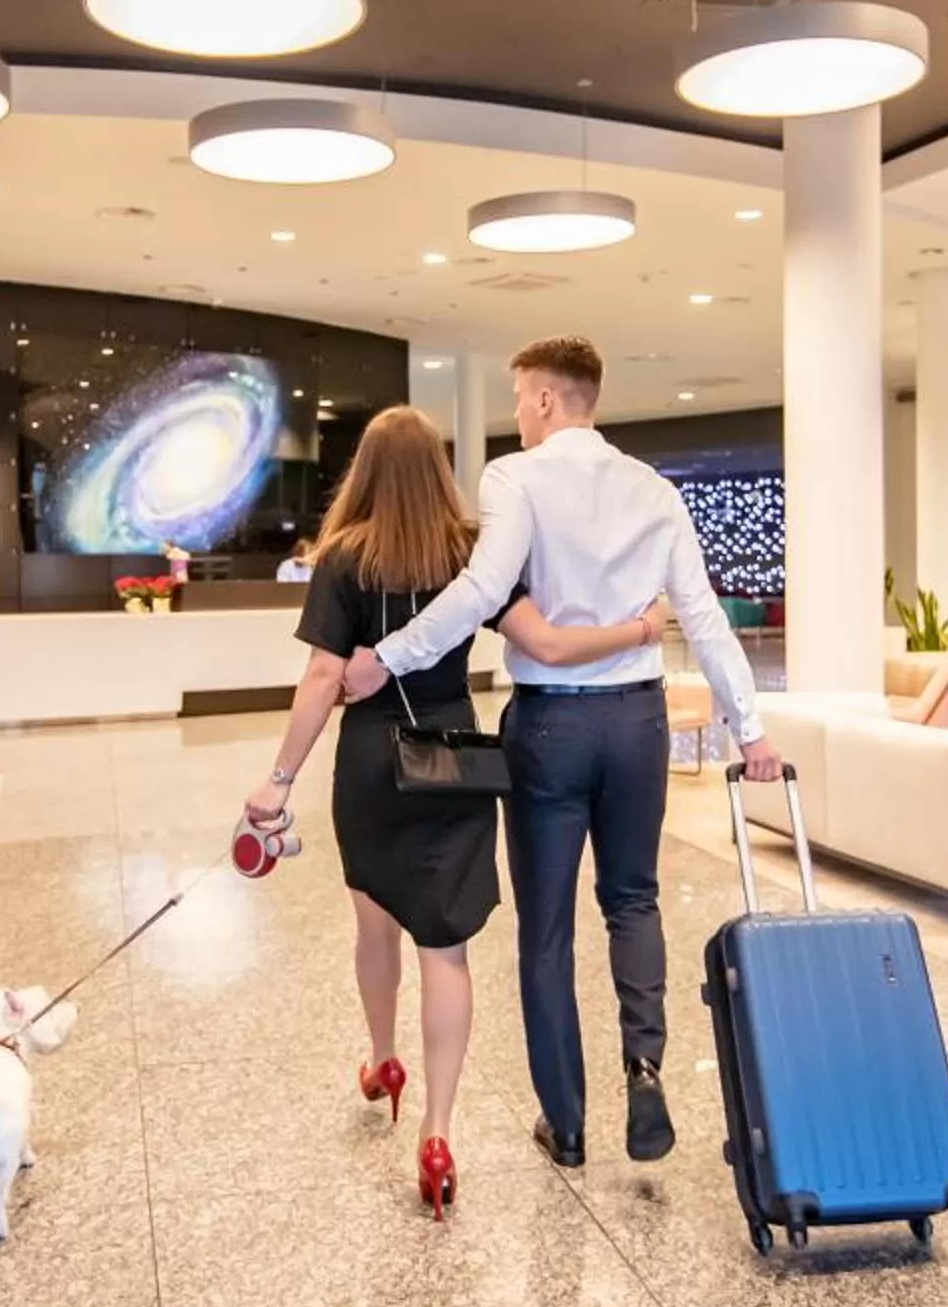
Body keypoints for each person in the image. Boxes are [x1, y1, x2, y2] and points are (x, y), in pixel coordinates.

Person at [343, 336, 779, 1171]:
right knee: (634, 900)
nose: (517, 414)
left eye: (519, 399)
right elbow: (704, 615)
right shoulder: (653, 488)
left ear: (545, 399)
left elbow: (480, 590)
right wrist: (749, 729)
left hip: (550, 727)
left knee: (545, 928)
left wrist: (387, 658)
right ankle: (643, 1067)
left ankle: (568, 1124)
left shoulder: (515, 478)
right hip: (639, 722)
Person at [242, 405, 665, 1220]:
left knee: (375, 928)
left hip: (373, 763)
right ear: (437, 470)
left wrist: (278, 780)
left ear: (364, 472)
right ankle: (438, 1133)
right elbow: (543, 640)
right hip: (456, 761)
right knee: (447, 953)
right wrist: (640, 629)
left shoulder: (344, 556)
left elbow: (323, 677)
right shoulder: (471, 550)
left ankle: (382, 1059)